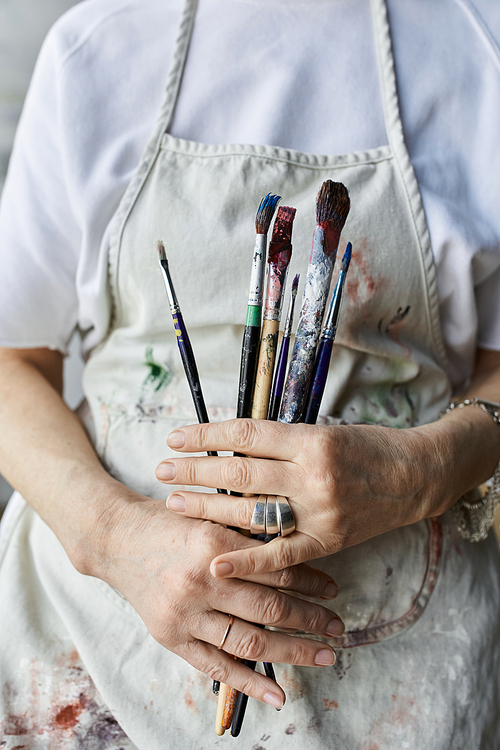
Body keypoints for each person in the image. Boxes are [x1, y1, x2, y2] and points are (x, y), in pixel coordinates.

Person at [0, 0, 500, 747]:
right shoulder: (96, 48)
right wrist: (110, 537)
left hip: (405, 686)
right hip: (91, 662)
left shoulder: (478, 46)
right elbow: (10, 362)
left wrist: (427, 468)